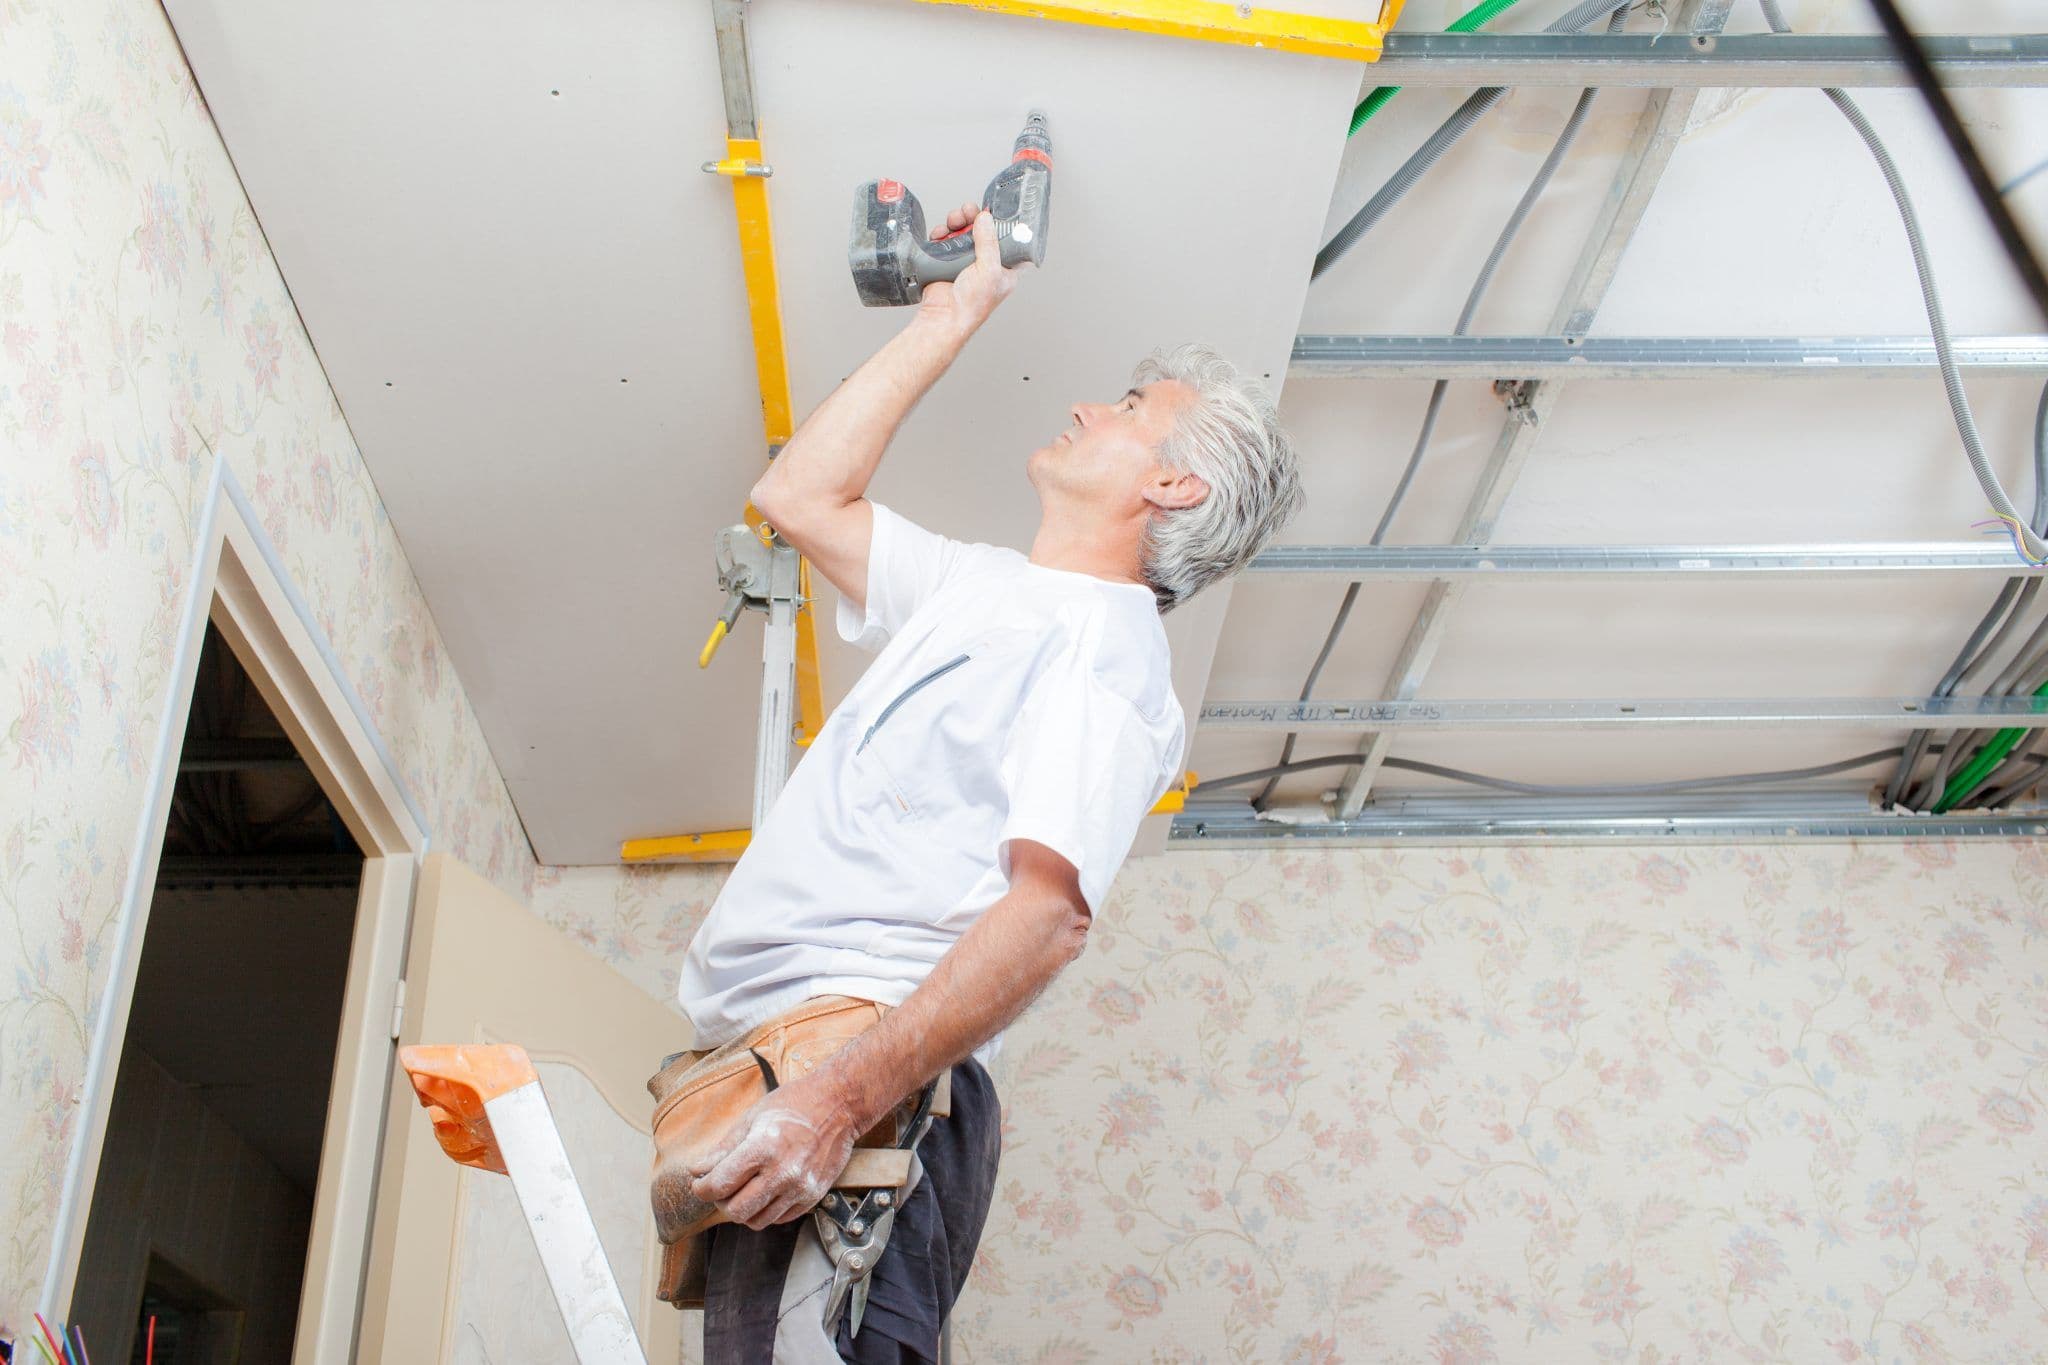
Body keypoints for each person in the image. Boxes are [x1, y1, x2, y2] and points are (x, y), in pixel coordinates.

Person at [672, 200, 1304, 1361]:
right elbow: (798, 498)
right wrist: (952, 314)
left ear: (1174, 489)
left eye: (1127, 410)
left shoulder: (1105, 655)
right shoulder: (983, 592)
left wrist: (836, 1102)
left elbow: (1048, 916)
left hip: (858, 1080)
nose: (1085, 406)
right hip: (792, 1061)